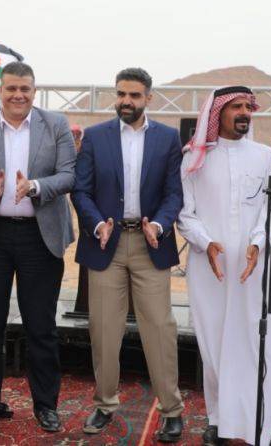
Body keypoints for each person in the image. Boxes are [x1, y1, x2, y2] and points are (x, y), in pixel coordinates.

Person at [72, 68, 184, 443]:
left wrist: (161, 225)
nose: (126, 101)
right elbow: (81, 191)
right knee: (104, 329)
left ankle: (171, 409)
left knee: (160, 329)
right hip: (106, 243)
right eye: (121, 94)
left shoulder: (167, 138)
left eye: (134, 95)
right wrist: (96, 225)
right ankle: (105, 404)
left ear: (148, 98)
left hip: (151, 243)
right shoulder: (96, 137)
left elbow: (174, 193)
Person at [0, 62, 75, 432]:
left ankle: (45, 405)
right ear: (0, 90)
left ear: (34, 91)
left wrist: (36, 187)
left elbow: (69, 175)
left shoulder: (55, 124)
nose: (18, 95)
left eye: (24, 88)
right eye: (11, 88)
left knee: (41, 326)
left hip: (39, 238)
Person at [178, 86, 271, 445]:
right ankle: (217, 419)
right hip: (209, 266)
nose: (244, 112)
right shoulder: (194, 158)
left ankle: (262, 422)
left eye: (248, 107)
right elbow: (185, 214)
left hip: (255, 267)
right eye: (236, 106)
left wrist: (258, 243)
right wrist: (206, 242)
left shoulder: (267, 158)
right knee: (214, 342)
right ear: (217, 114)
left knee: (258, 341)